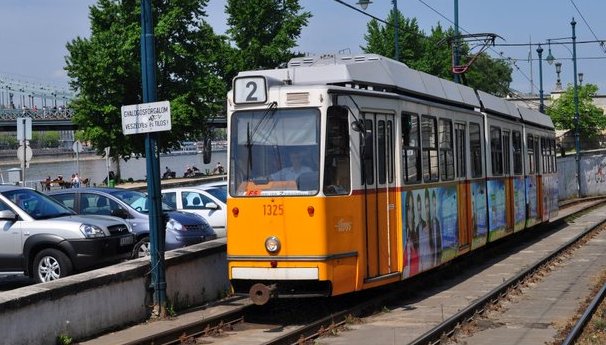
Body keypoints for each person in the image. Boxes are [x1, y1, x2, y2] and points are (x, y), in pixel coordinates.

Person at [403, 192, 419, 278]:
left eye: (412, 209)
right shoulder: (405, 239)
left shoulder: (415, 237)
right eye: (409, 209)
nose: (411, 214)